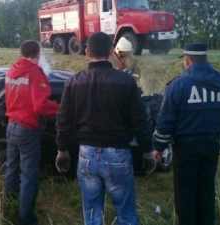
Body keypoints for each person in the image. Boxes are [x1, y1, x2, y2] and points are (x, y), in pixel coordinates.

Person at [54, 31, 154, 225]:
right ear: (110, 51)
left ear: (87, 51)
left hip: (86, 156)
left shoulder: (73, 82)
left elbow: (63, 120)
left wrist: (62, 150)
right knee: (126, 214)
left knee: (92, 215)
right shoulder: (126, 82)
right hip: (118, 156)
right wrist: (148, 151)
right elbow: (140, 121)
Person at [153, 42, 220, 225]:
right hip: (212, 146)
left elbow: (165, 122)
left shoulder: (178, 86)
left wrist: (158, 148)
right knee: (206, 190)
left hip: (185, 149)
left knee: (185, 192)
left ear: (187, 60)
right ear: (206, 58)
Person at [4, 40, 59, 225]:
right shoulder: (35, 73)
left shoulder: (12, 71)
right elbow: (41, 105)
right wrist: (61, 110)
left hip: (11, 126)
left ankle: (9, 207)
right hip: (27, 130)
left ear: (20, 54)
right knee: (29, 176)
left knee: (11, 170)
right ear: (37, 54)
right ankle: (26, 219)